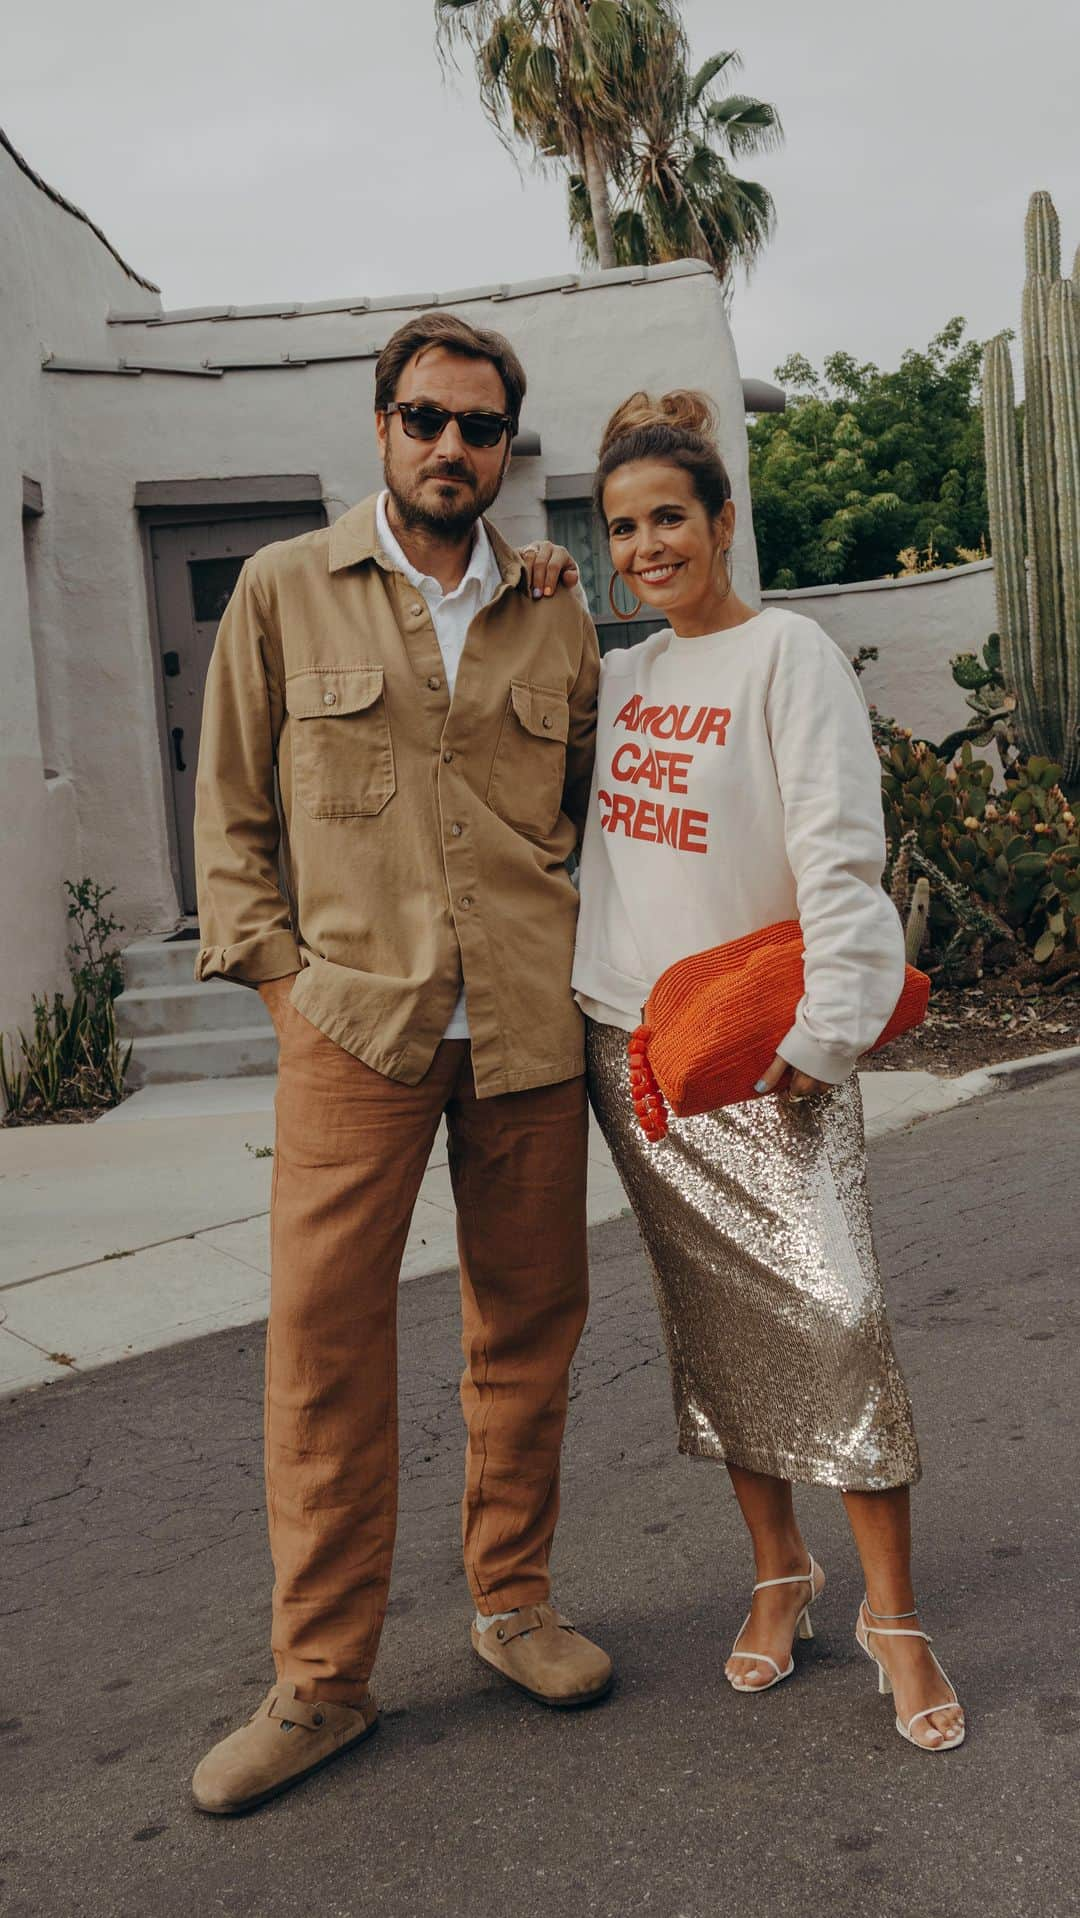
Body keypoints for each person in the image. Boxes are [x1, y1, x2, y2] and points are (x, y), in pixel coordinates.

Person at [189, 311, 611, 1816]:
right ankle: (322, 1679)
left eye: (480, 427)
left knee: (529, 1326)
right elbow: (232, 816)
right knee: (323, 1349)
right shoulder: (280, 590)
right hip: (354, 1029)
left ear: (508, 449)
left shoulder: (556, 609)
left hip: (522, 1028)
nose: (452, 448)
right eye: (426, 419)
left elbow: (575, 806)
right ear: (381, 427)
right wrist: (289, 985)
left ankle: (514, 1604)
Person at [573, 389, 965, 1753]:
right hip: (637, 1055)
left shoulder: (788, 657)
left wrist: (825, 1033)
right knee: (716, 1325)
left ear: (723, 517)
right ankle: (781, 1574)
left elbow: (839, 853)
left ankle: (895, 1615)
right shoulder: (622, 677)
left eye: (669, 516)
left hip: (769, 1052)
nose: (647, 546)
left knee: (839, 1312)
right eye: (623, 527)